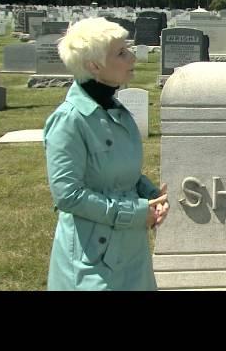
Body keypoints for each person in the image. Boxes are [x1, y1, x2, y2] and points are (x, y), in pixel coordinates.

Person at [44, 17, 169, 290]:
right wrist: (135, 213)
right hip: (94, 259)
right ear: (94, 66)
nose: (132, 57)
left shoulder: (117, 112)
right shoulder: (69, 120)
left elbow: (123, 174)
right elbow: (68, 195)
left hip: (132, 254)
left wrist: (150, 195)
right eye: (121, 53)